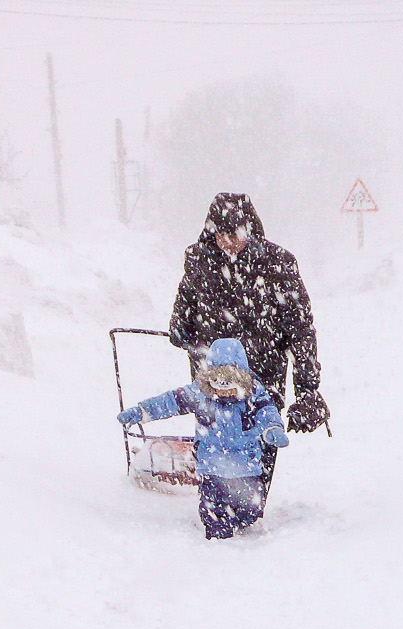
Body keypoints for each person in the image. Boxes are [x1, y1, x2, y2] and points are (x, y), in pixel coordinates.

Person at [169, 192, 328, 505]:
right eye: (220, 234)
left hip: (262, 383)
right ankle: (218, 512)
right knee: (215, 459)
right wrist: (187, 334)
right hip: (212, 386)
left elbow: (300, 330)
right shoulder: (199, 260)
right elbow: (181, 320)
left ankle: (246, 509)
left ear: (249, 229)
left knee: (254, 462)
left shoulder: (278, 264)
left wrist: (308, 390)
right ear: (210, 232)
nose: (227, 242)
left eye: (234, 234)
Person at [117, 338, 289, 539]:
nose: (223, 390)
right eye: (218, 383)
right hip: (212, 468)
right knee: (215, 516)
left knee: (249, 511)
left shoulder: (254, 395)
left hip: (246, 467)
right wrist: (142, 411)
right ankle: (217, 544)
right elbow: (170, 401)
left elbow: (267, 412)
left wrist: (272, 428)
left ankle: (244, 519)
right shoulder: (199, 394)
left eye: (230, 384)